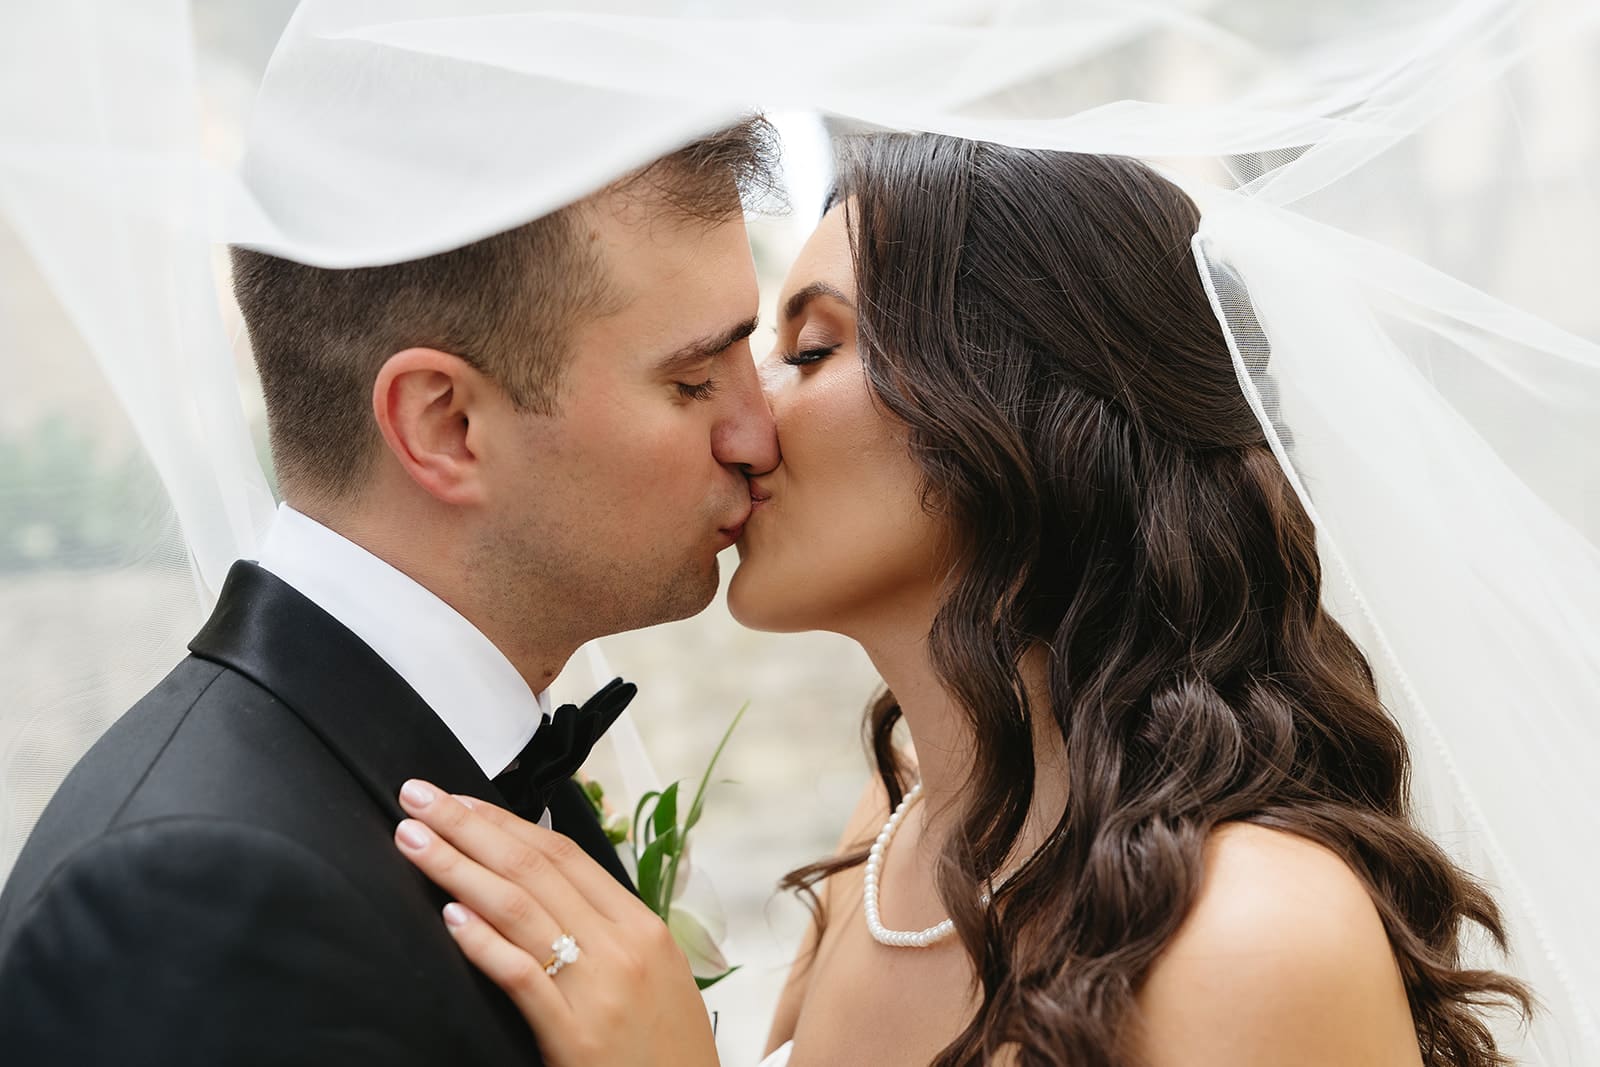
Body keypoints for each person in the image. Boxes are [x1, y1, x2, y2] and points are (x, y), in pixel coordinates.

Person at [391, 135, 1533, 1067]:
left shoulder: (1248, 932)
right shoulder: (881, 848)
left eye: (813, 346)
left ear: (1018, 416)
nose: (743, 427)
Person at [0, 119, 779, 1065]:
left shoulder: (484, 773)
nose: (758, 434)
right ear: (445, 425)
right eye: (696, 379)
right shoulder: (194, 901)